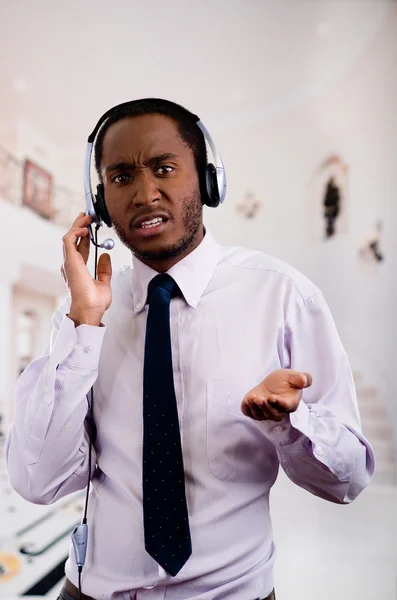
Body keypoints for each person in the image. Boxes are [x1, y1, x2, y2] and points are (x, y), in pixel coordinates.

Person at [5, 98, 374, 600]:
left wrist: (289, 422)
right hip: (92, 592)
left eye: (164, 168)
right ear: (99, 205)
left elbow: (347, 480)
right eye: (120, 178)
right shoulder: (86, 315)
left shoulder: (284, 296)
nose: (144, 193)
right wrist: (83, 322)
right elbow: (37, 481)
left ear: (206, 179)